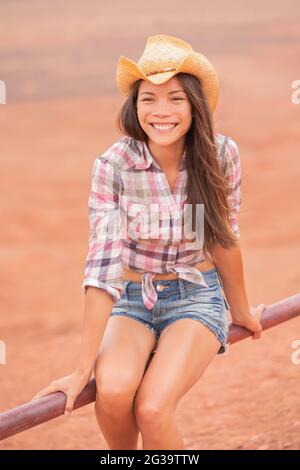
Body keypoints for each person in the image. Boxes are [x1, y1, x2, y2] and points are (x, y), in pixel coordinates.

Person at [31, 34, 265, 450]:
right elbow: (103, 266)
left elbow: (224, 236)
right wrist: (83, 368)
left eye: (175, 98)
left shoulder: (220, 152)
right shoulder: (114, 165)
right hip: (133, 297)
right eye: (148, 100)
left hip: (196, 294)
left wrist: (242, 311)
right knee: (115, 393)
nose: (161, 112)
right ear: (134, 107)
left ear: (195, 104)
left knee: (153, 408)